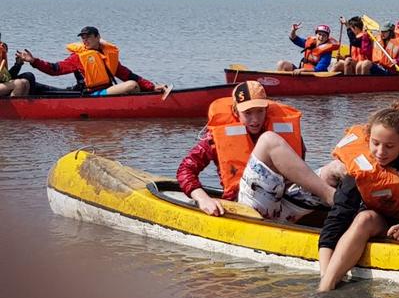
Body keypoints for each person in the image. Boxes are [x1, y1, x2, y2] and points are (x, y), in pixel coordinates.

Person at [317, 101, 399, 292]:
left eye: (389, 146)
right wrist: (325, 272)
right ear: (368, 138)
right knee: (364, 218)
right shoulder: (360, 166)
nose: (380, 152)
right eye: (375, 144)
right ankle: (326, 287)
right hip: (383, 224)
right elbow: (338, 217)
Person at [176, 81, 336, 221]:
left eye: (260, 111)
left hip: (286, 201)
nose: (255, 119)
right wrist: (203, 199)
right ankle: (330, 196)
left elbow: (301, 167)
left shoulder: (282, 130)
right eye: (248, 113)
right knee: (268, 140)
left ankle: (354, 218)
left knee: (337, 168)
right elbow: (185, 170)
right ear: (235, 112)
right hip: (247, 205)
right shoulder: (215, 138)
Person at [15, 26, 167, 96]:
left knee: (133, 84)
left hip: (105, 91)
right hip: (89, 94)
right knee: (132, 86)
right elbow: (55, 69)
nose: (85, 40)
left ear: (97, 37)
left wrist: (152, 86)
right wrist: (33, 61)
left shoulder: (107, 56)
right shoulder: (79, 57)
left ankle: (146, 99)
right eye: (83, 37)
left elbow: (129, 75)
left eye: (88, 36)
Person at [276, 23, 340, 72]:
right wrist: (293, 31)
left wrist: (303, 70)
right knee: (282, 64)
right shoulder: (309, 43)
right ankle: (277, 82)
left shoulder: (327, 52)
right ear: (316, 35)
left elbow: (319, 69)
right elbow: (294, 39)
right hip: (302, 71)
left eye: (324, 35)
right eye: (319, 34)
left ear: (327, 38)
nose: (321, 37)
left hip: (315, 75)